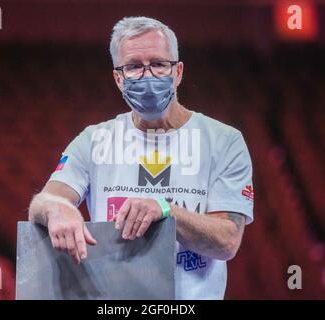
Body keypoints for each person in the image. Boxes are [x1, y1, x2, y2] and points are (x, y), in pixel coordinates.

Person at [28, 16, 254, 299]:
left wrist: (167, 210)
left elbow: (227, 240)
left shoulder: (224, 141)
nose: (148, 76)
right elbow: (44, 201)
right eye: (134, 67)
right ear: (118, 78)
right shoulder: (94, 140)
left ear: (178, 71)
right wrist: (57, 209)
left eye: (159, 64)